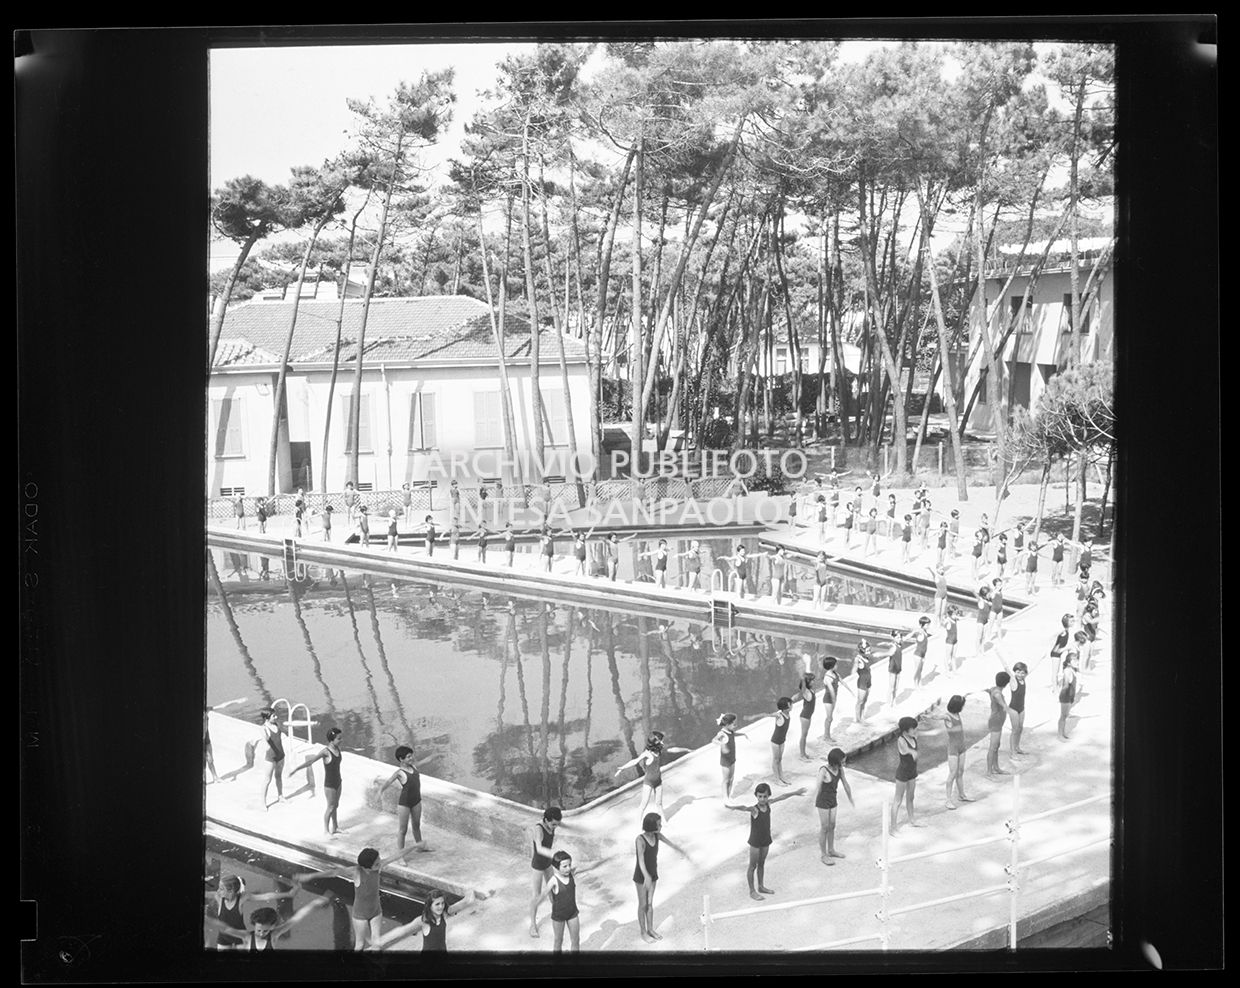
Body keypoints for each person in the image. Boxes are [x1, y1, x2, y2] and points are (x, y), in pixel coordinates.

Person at [293, 844, 421, 951]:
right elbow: (333, 872)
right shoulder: (356, 872)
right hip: (360, 915)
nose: (380, 863)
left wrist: (416, 845)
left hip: (376, 911)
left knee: (376, 943)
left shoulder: (378, 867)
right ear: (366, 866)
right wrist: (310, 876)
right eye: (377, 863)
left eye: (379, 860)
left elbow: (397, 855)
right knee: (359, 945)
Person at [726, 783, 807, 900]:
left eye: (765, 796)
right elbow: (744, 808)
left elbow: (782, 797)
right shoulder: (755, 809)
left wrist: (795, 792)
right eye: (760, 796)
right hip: (755, 842)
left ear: (768, 796)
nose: (762, 799)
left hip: (766, 839)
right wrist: (733, 807)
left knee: (762, 864)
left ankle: (761, 886)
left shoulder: (768, 804)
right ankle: (752, 891)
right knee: (752, 866)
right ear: (756, 796)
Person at [632, 813, 688, 943]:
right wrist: (646, 876)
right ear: (652, 825)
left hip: (652, 875)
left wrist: (681, 850)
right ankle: (643, 932)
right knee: (643, 904)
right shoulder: (640, 840)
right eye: (659, 824)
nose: (661, 825)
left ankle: (650, 929)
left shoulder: (657, 836)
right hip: (641, 876)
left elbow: (671, 844)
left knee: (650, 903)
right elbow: (640, 860)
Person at [614, 732, 691, 822]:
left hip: (658, 781)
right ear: (654, 742)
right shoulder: (647, 754)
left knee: (659, 803)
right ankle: (639, 823)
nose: (662, 743)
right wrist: (622, 768)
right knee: (643, 805)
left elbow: (673, 750)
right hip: (649, 782)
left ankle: (664, 821)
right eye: (660, 741)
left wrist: (686, 749)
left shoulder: (659, 751)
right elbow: (635, 761)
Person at [206, 874, 297, 950]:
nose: (218, 891)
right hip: (223, 937)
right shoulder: (218, 897)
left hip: (241, 936)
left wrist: (288, 894)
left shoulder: (242, 898)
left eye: (221, 889)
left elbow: (266, 896)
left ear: (231, 891)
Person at [205, 896, 329, 952]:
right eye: (259, 930)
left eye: (265, 931)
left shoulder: (274, 935)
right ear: (254, 925)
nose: (261, 933)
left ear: (272, 927)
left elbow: (296, 918)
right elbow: (225, 928)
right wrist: (206, 918)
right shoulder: (248, 937)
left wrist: (315, 903)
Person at [377, 887, 481, 952]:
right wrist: (382, 941)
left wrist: (469, 891)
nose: (440, 906)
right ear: (430, 905)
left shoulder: (445, 913)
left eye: (442, 903)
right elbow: (403, 930)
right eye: (437, 904)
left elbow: (463, 903)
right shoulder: (423, 920)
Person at [288, 727, 345, 835]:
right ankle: (326, 831)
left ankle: (335, 827)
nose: (341, 740)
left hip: (338, 781)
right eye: (339, 738)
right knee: (330, 807)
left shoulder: (338, 749)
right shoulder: (325, 752)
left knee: (336, 805)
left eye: (341, 738)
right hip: (329, 784)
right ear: (332, 740)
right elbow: (310, 762)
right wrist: (296, 769)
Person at [378, 746, 432, 851]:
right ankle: (400, 854)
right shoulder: (399, 773)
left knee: (416, 825)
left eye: (411, 755)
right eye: (408, 757)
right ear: (401, 759)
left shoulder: (414, 767)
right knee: (403, 830)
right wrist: (380, 791)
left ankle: (420, 847)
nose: (411, 758)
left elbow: (424, 761)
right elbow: (388, 782)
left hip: (416, 801)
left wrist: (434, 755)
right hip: (405, 804)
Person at [538, 851, 588, 953]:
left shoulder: (571, 874)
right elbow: (542, 895)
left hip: (572, 913)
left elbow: (586, 867)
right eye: (564, 866)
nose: (568, 868)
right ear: (557, 867)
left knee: (576, 940)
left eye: (569, 865)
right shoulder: (553, 880)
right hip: (558, 916)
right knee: (558, 941)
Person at [527, 806, 563, 938]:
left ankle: (557, 914)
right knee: (536, 895)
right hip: (538, 865)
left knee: (554, 889)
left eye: (557, 825)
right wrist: (554, 854)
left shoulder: (553, 822)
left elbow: (568, 826)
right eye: (554, 824)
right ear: (546, 820)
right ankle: (532, 925)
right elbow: (540, 849)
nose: (555, 827)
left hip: (547, 863)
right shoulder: (539, 829)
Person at [815, 748, 854, 864]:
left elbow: (845, 783)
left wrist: (850, 797)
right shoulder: (824, 770)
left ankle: (831, 850)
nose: (844, 764)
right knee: (824, 827)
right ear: (835, 762)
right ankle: (823, 854)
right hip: (823, 801)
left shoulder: (840, 770)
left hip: (833, 800)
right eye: (842, 762)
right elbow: (818, 787)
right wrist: (813, 801)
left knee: (832, 825)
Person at [890, 716, 923, 835]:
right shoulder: (901, 739)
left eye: (915, 728)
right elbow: (905, 749)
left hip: (912, 772)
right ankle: (893, 828)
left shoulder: (913, 736)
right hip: (902, 773)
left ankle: (911, 820)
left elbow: (915, 735)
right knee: (897, 800)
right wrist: (912, 752)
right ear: (905, 731)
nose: (915, 730)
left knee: (911, 797)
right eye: (912, 728)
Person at [942, 695, 974, 809]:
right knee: (952, 773)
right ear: (958, 706)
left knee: (960, 772)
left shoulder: (957, 714)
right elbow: (938, 716)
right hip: (953, 749)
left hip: (962, 747)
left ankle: (961, 795)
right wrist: (929, 716)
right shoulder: (948, 717)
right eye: (962, 705)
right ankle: (948, 800)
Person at [203, 697, 244, 785]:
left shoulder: (206, 709)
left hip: (207, 739)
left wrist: (236, 701)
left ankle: (215, 777)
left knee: (210, 760)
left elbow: (222, 706)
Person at [712, 713, 747, 799]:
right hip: (726, 761)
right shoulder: (721, 733)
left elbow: (733, 734)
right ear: (727, 724)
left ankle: (728, 794)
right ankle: (725, 798)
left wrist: (742, 734)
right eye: (734, 724)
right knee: (726, 780)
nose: (735, 725)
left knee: (731, 778)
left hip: (732, 758)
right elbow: (713, 740)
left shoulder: (730, 731)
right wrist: (722, 745)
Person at [258, 708, 286, 809]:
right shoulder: (263, 728)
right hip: (270, 757)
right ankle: (262, 803)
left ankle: (280, 796)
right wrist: (266, 741)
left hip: (281, 755)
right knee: (267, 780)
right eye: (273, 716)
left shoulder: (276, 725)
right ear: (267, 717)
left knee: (278, 777)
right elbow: (265, 738)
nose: (276, 717)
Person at [819, 656, 853, 742]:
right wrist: (835, 702)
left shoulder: (835, 674)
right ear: (831, 666)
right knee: (829, 718)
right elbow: (831, 691)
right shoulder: (827, 678)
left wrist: (851, 691)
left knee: (830, 718)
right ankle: (826, 736)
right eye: (835, 664)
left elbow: (843, 682)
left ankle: (827, 735)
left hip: (833, 698)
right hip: (828, 699)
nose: (837, 665)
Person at [985, 672, 1012, 777]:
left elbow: (990, 691)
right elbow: (1001, 703)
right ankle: (989, 771)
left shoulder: (994, 689)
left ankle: (996, 768)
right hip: (995, 722)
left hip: (997, 721)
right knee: (993, 747)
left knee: (996, 746)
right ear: (1006, 684)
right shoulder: (998, 694)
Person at [882, 628, 912, 704]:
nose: (899, 639)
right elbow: (889, 653)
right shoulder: (893, 646)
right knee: (891, 687)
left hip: (898, 667)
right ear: (893, 638)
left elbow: (907, 637)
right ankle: (888, 703)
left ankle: (894, 700)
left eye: (900, 637)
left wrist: (914, 631)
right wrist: (879, 654)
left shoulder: (900, 643)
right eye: (897, 638)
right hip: (892, 668)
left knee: (896, 687)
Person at [793, 668, 818, 760]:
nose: (814, 682)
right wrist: (803, 678)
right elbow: (803, 688)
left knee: (805, 735)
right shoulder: (806, 692)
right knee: (803, 736)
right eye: (812, 681)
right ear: (807, 682)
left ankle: (804, 754)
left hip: (808, 716)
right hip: (805, 716)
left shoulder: (811, 691)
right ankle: (802, 755)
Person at [769, 697, 793, 784]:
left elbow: (792, 698)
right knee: (775, 760)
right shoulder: (779, 716)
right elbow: (770, 715)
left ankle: (781, 776)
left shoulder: (787, 714)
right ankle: (777, 779)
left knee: (779, 759)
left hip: (782, 741)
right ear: (786, 707)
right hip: (775, 742)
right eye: (790, 705)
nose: (792, 706)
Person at [1057, 650, 1080, 740]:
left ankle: (1062, 734)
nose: (1077, 662)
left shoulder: (1072, 670)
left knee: (1065, 716)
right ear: (1069, 663)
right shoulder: (1067, 671)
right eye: (1074, 661)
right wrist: (1061, 696)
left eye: (1077, 660)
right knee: (1063, 716)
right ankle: (1060, 735)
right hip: (1065, 696)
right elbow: (1066, 685)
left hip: (1069, 695)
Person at [1048, 613, 1074, 690]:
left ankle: (1055, 686)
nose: (1073, 623)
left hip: (1058, 653)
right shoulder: (1063, 630)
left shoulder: (1066, 630)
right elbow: (1053, 636)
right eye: (1071, 621)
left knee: (1056, 672)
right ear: (1066, 622)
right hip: (1055, 653)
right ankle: (1055, 690)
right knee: (1055, 673)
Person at [853, 641, 873, 724]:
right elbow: (854, 670)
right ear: (862, 650)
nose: (869, 651)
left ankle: (862, 716)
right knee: (860, 701)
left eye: (869, 650)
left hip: (868, 680)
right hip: (862, 682)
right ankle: (857, 719)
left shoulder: (867, 658)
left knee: (865, 700)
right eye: (868, 650)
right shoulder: (858, 659)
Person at [911, 615, 933, 688]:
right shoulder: (920, 632)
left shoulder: (924, 631)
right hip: (918, 655)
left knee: (920, 670)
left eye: (928, 624)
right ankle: (915, 684)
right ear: (921, 624)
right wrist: (905, 638)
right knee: (917, 670)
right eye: (927, 625)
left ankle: (920, 683)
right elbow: (913, 633)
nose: (928, 626)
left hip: (923, 654)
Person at [942, 604, 961, 673]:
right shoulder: (948, 620)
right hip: (949, 641)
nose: (956, 614)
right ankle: (947, 671)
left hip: (955, 640)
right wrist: (945, 620)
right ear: (951, 613)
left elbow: (959, 618)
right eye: (955, 613)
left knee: (953, 656)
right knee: (948, 657)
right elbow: (943, 624)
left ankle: (954, 670)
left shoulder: (954, 619)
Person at [975, 585, 993, 652]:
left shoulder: (987, 602)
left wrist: (989, 587)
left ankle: (982, 650)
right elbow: (978, 597)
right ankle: (977, 652)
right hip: (980, 622)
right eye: (989, 594)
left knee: (983, 637)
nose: (990, 595)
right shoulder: (981, 602)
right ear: (985, 594)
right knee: (979, 637)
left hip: (985, 621)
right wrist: (973, 591)